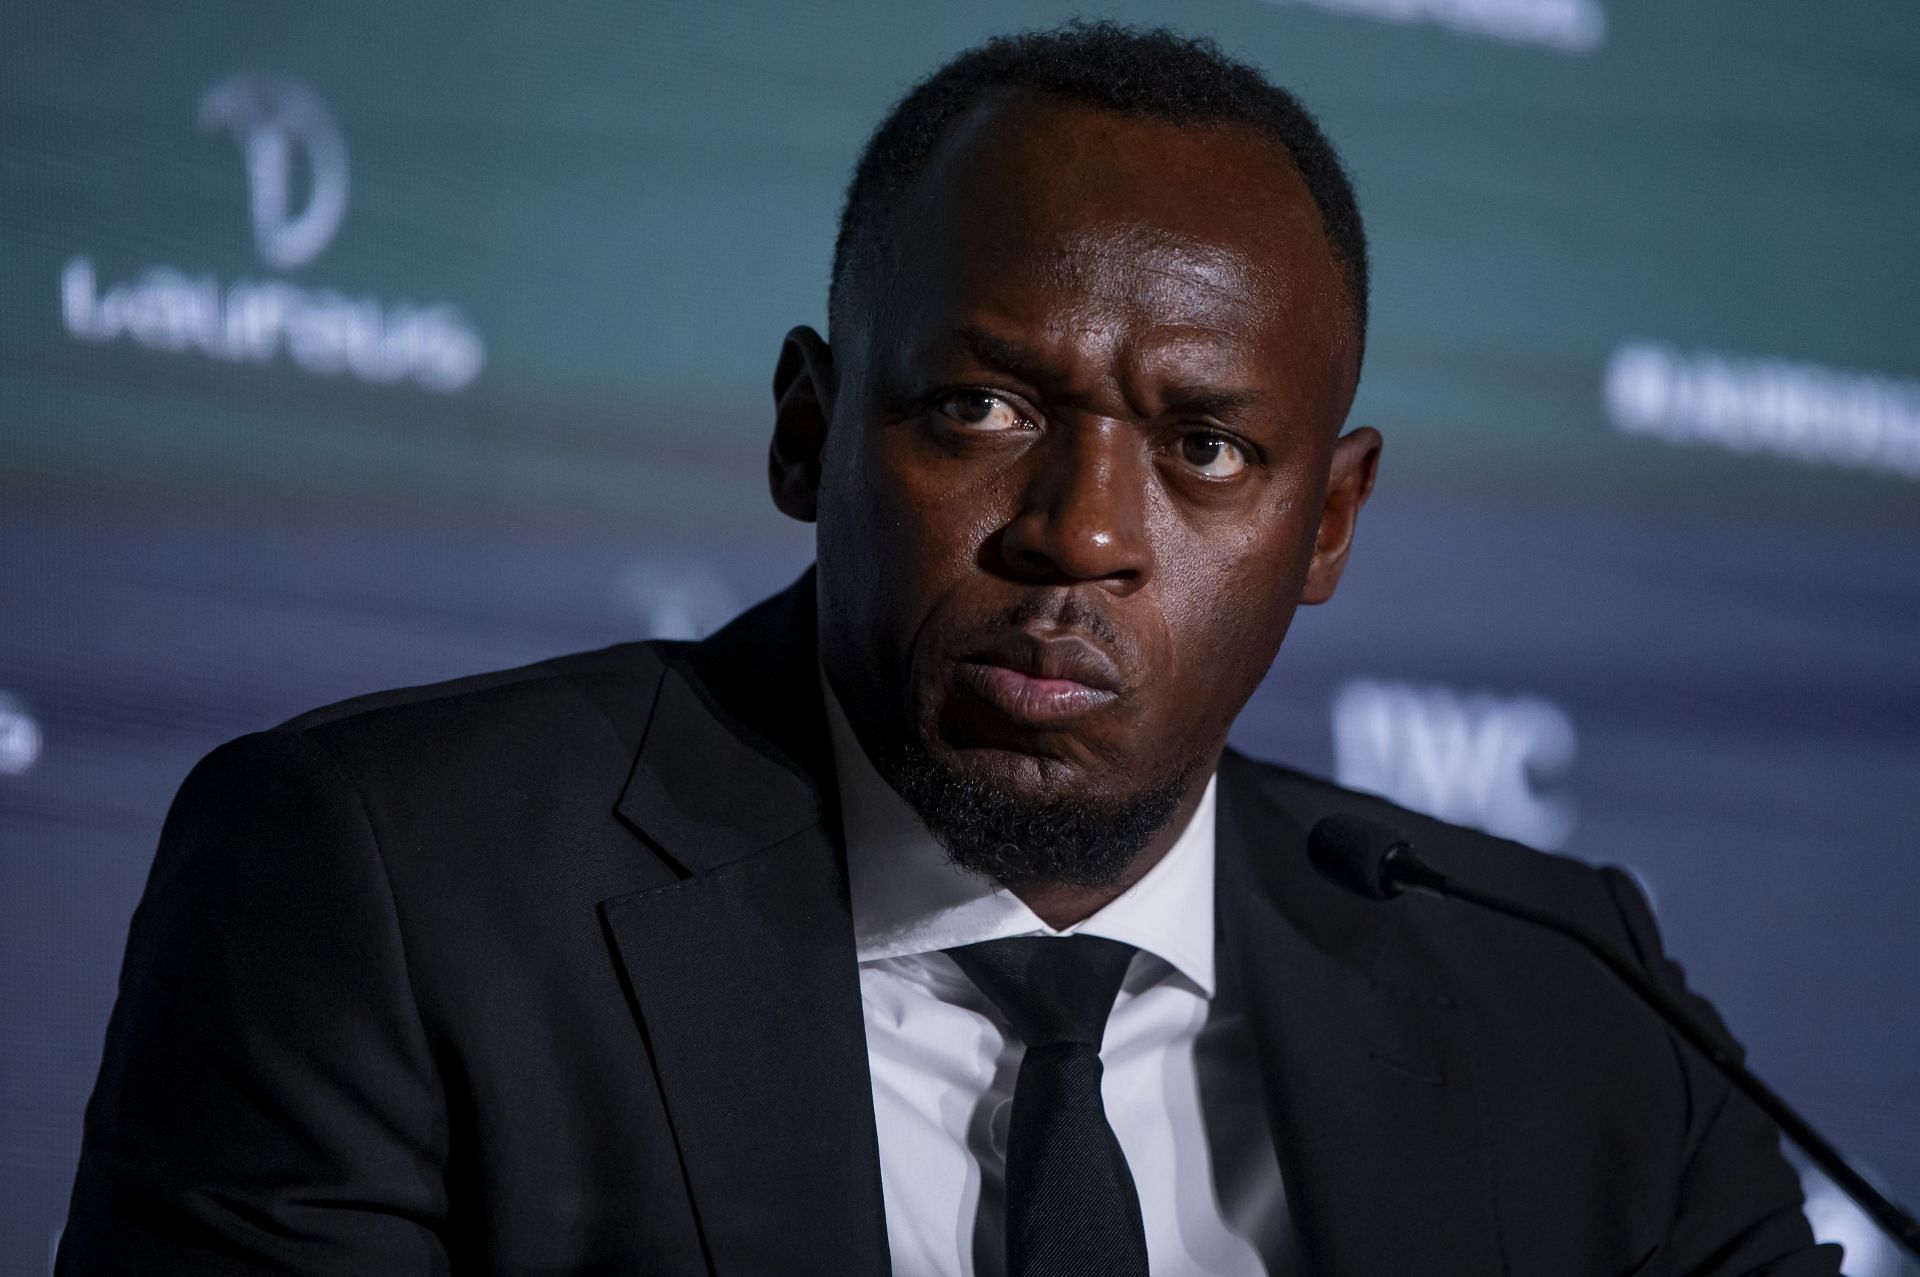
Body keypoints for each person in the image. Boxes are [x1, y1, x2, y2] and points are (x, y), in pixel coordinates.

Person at [59, 21, 1839, 1277]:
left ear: (1332, 524)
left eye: (1207, 448)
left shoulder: (1564, 1003)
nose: (1082, 530)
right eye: (982, 405)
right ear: (806, 430)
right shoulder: (391, 891)